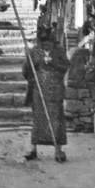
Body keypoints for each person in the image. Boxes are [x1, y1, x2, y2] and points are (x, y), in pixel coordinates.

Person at [22, 23, 69, 162]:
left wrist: (54, 64)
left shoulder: (59, 51)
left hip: (55, 90)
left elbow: (66, 66)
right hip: (39, 89)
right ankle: (33, 149)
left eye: (48, 42)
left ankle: (58, 150)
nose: (46, 45)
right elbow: (26, 70)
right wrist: (33, 76)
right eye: (43, 43)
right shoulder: (34, 52)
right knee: (38, 119)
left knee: (56, 119)